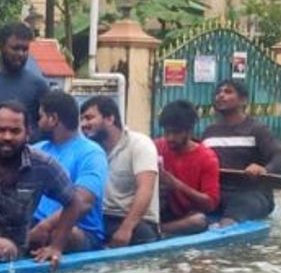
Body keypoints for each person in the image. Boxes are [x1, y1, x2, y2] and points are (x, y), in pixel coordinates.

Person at [0, 101, 87, 269]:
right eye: (1, 130)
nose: (7, 137)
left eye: (15, 131)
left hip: (9, 249)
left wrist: (56, 247)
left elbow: (74, 202)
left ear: (28, 133)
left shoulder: (42, 164)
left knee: (2, 249)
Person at [201, 79, 281, 226]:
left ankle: (226, 226)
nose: (221, 96)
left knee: (242, 204)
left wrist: (264, 169)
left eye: (228, 92)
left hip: (252, 195)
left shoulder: (257, 129)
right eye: (218, 92)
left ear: (243, 100)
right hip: (218, 193)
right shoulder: (209, 133)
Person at [29, 90, 108, 253]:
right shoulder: (36, 150)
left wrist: (45, 226)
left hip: (79, 232)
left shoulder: (91, 153)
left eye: (41, 117)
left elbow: (83, 202)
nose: (38, 123)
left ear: (53, 119)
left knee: (60, 234)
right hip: (35, 225)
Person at [79, 95, 160, 247]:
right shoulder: (89, 151)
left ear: (109, 119)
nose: (84, 124)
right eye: (82, 120)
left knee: (142, 234)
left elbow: (145, 189)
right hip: (100, 218)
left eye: (89, 118)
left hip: (135, 221)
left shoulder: (140, 144)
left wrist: (126, 229)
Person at [154, 100, 221, 235]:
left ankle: (158, 230)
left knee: (199, 221)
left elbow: (210, 204)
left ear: (189, 131)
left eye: (176, 133)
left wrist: (176, 185)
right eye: (167, 132)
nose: (170, 138)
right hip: (158, 210)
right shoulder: (156, 146)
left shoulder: (207, 158)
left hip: (186, 215)